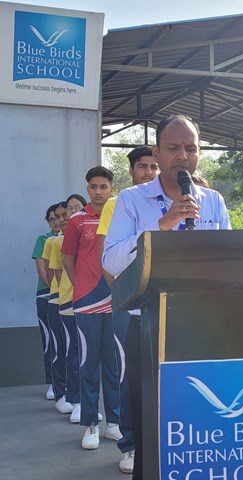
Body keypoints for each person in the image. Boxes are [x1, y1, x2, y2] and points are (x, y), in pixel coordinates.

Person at [103, 114, 231, 480]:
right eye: (173, 148)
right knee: (151, 425)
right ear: (157, 152)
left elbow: (229, 260)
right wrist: (160, 226)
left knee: (198, 422)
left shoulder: (213, 200)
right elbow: (111, 260)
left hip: (202, 328)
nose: (182, 156)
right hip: (148, 328)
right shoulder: (131, 200)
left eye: (191, 148)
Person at [96, 146, 158, 474]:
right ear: (131, 170)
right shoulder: (118, 203)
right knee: (128, 373)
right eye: (142, 166)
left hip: (162, 304)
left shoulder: (170, 201)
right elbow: (108, 256)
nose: (148, 172)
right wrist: (122, 295)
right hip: (128, 305)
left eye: (153, 166)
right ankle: (130, 444)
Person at [62, 167, 121, 450]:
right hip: (87, 301)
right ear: (88, 189)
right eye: (93, 187)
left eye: (103, 186)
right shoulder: (76, 220)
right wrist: (81, 289)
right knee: (88, 362)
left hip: (117, 300)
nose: (98, 191)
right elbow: (68, 259)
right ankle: (90, 424)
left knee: (114, 364)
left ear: (111, 188)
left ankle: (114, 423)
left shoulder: (121, 215)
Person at [49, 194, 88, 424]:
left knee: (90, 355)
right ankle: (75, 400)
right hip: (69, 301)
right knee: (73, 352)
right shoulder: (58, 241)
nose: (71, 213)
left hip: (93, 301)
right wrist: (74, 287)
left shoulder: (93, 232)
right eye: (69, 209)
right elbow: (56, 273)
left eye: (76, 208)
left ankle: (87, 401)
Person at [42, 202, 74, 414]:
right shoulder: (53, 241)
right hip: (58, 300)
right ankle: (59, 392)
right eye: (58, 216)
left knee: (75, 351)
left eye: (65, 214)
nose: (62, 220)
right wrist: (62, 290)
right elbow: (51, 273)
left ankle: (74, 394)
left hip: (80, 301)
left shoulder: (83, 237)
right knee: (59, 347)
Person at [32, 204, 59, 400]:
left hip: (70, 296)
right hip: (47, 294)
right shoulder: (43, 240)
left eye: (59, 217)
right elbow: (43, 270)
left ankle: (68, 383)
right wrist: (57, 288)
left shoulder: (71, 236)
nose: (56, 222)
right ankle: (52, 382)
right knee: (50, 339)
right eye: (51, 219)